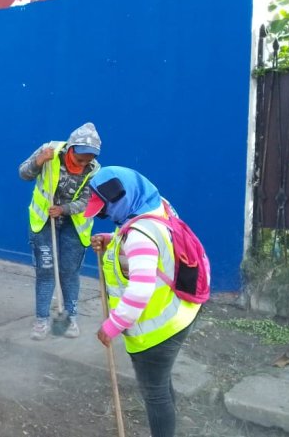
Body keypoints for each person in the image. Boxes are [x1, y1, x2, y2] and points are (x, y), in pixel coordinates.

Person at [86, 166, 201, 437]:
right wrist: (113, 239)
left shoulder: (139, 234)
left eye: (104, 208)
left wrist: (112, 325)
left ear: (122, 199)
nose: (102, 214)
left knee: (155, 393)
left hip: (158, 329)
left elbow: (140, 289)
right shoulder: (157, 206)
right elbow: (152, 245)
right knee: (161, 384)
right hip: (180, 313)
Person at [19, 122, 101, 340]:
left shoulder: (94, 171)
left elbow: (88, 201)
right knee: (46, 271)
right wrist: (39, 162)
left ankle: (70, 318)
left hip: (73, 225)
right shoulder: (49, 151)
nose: (84, 164)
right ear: (70, 148)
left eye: (89, 160)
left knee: (69, 272)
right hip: (43, 221)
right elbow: (23, 173)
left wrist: (64, 209)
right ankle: (41, 320)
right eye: (79, 159)